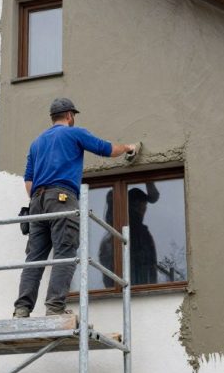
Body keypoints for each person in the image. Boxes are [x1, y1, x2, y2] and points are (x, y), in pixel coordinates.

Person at [13, 98, 135, 317]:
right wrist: (128, 148)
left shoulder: (36, 143)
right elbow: (106, 149)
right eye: (73, 116)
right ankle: (54, 309)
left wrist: (40, 201)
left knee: (35, 258)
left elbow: (28, 181)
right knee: (65, 252)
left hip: (37, 202)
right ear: (69, 115)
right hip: (61, 198)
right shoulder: (74, 133)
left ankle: (22, 310)